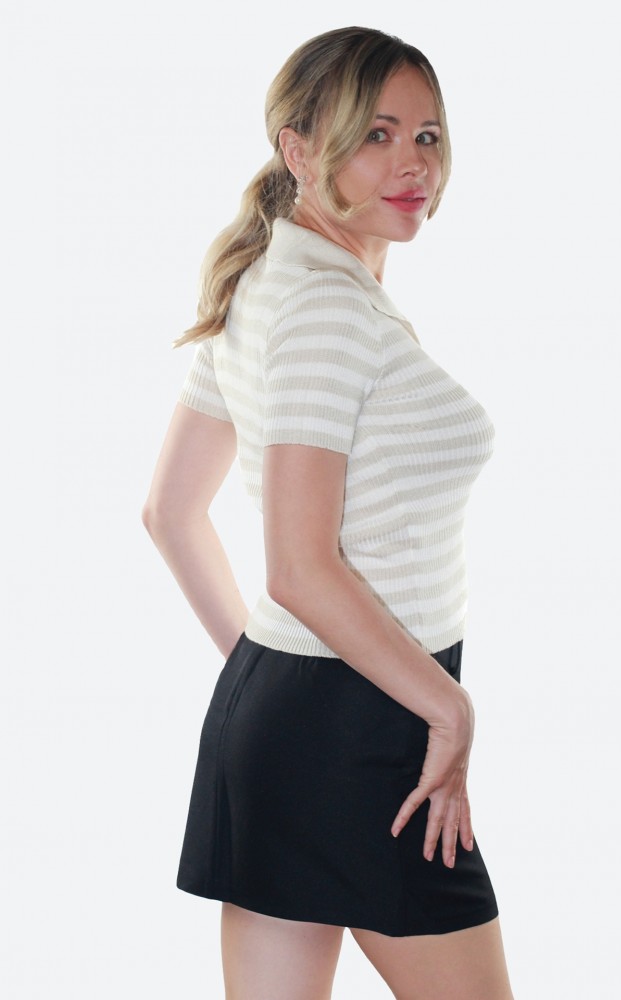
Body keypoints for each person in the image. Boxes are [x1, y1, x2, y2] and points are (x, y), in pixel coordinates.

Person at [143, 26, 514, 999]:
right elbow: (298, 567)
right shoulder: (326, 310)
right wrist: (447, 706)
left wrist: (271, 675)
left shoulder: (272, 282)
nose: (411, 164)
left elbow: (171, 512)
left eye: (427, 136)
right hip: (371, 730)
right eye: (375, 135)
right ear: (298, 150)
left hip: (295, 719)